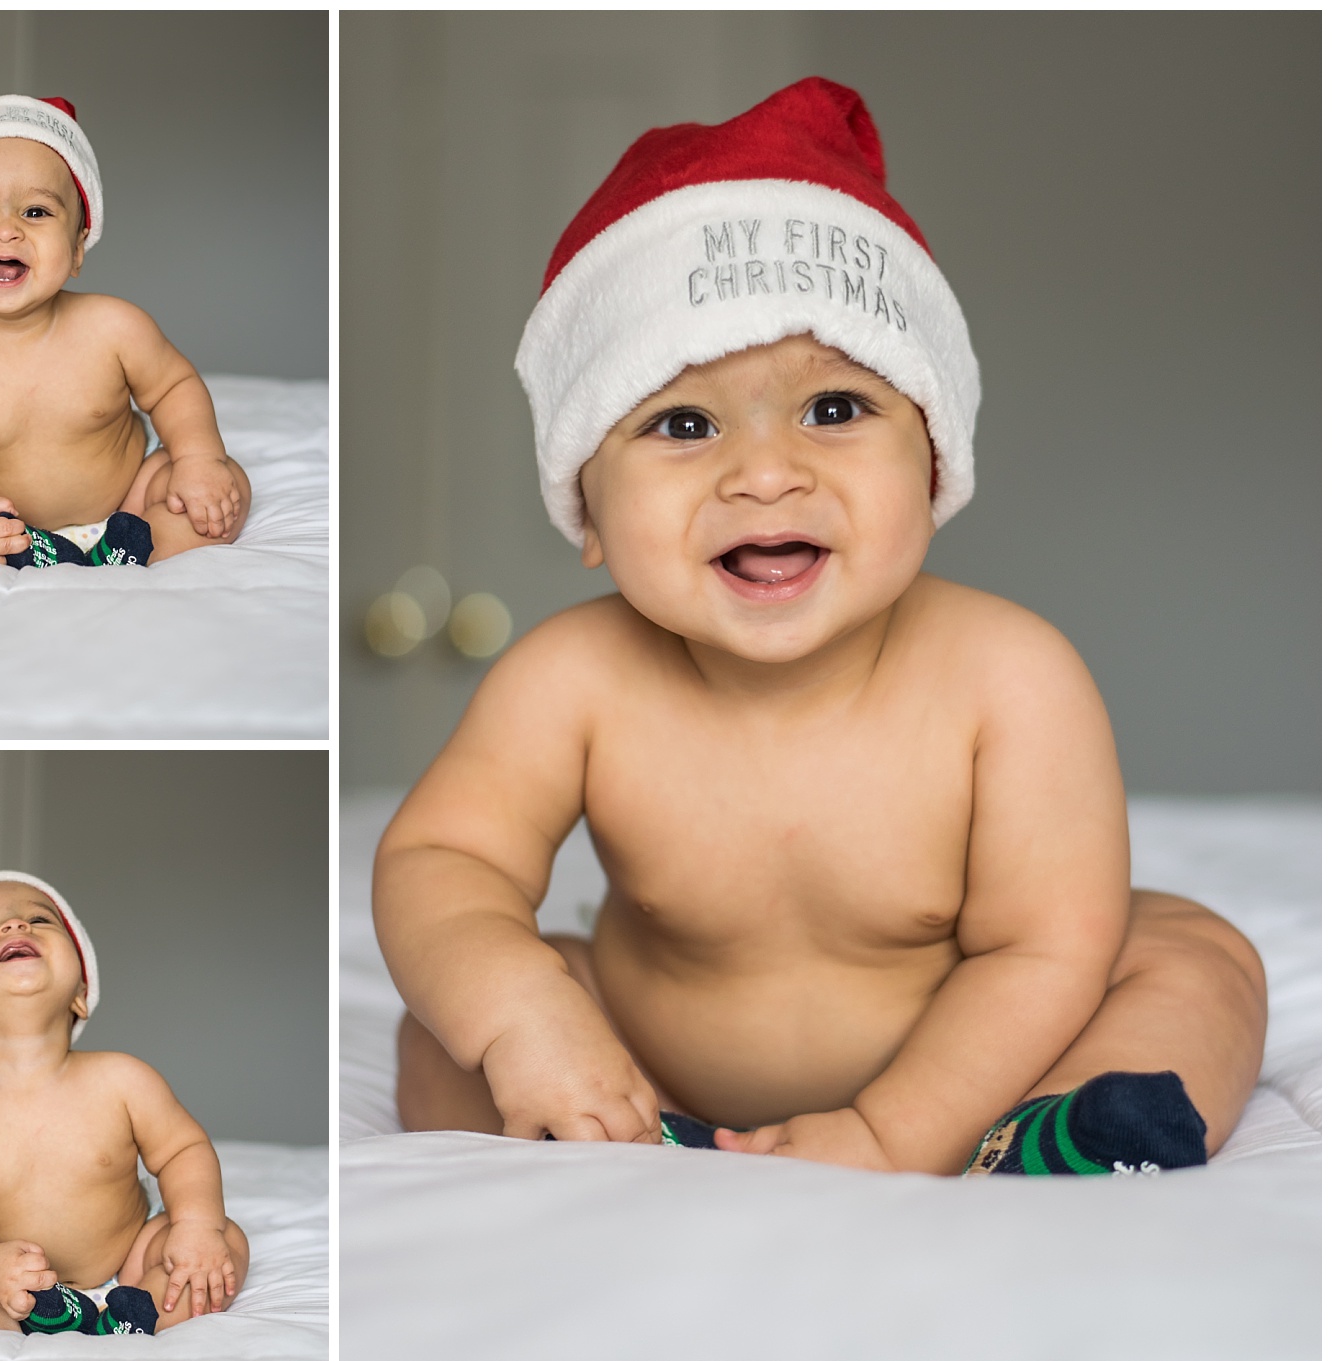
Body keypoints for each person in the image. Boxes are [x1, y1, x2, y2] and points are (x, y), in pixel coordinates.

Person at [375, 78, 1267, 1176]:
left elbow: (1041, 952)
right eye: (683, 423)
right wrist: (523, 1017)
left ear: (934, 458)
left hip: (980, 1066)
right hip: (651, 1067)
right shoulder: (571, 681)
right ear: (587, 506)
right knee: (444, 1026)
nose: (763, 473)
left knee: (1193, 958)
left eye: (834, 409)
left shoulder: (1010, 680)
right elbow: (441, 858)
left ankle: (1054, 1127)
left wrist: (892, 1131)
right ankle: (621, 1135)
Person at [0, 95, 251, 568]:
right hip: (10, 516)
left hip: (130, 501)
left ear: (79, 245)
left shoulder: (115, 326)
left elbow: (174, 388)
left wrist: (198, 458)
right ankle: (21, 547)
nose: (6, 231)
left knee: (224, 483)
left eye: (36, 212)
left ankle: (137, 548)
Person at [0, 872, 249, 1334]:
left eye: (39, 919)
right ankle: (36, 1320)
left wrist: (197, 1225)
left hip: (131, 1259)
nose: (13, 926)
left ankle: (138, 1313)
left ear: (82, 992)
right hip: (11, 1277)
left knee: (226, 1238)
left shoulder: (123, 1078)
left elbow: (184, 1151)